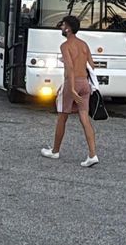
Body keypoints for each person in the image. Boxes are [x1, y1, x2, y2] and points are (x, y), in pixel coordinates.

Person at [40, 15, 100, 167]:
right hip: (85, 84)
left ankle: (55, 151)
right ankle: (92, 154)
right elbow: (92, 65)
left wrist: (72, 88)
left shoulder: (65, 46)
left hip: (71, 84)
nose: (61, 27)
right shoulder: (84, 44)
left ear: (68, 28)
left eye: (63, 25)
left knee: (62, 117)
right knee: (84, 119)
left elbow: (70, 68)